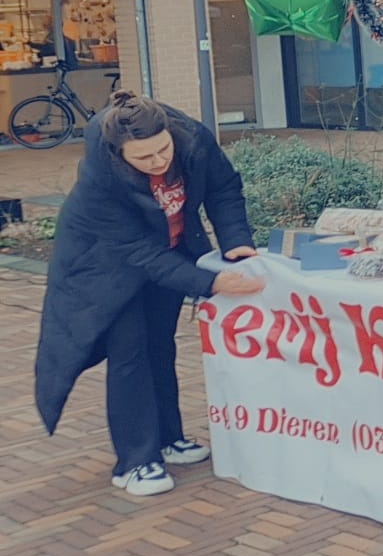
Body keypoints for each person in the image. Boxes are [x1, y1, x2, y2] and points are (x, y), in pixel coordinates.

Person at [33, 92, 266, 497]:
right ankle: (135, 462)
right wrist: (208, 283)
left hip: (169, 250)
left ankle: (167, 439)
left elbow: (224, 188)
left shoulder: (193, 138)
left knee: (160, 345)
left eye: (163, 150)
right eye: (144, 159)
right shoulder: (99, 178)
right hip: (106, 265)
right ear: (118, 153)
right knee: (130, 351)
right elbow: (137, 253)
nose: (159, 163)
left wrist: (236, 243)